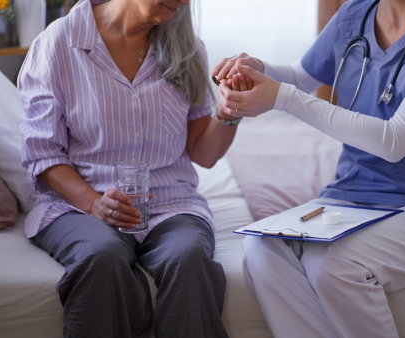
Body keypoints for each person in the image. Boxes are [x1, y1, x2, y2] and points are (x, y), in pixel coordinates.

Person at [213, 0, 405, 337]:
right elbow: (300, 77)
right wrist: (257, 70)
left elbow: (395, 140)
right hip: (351, 194)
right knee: (262, 247)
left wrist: (282, 98)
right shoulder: (355, 14)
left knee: (333, 266)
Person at [18, 0, 250, 337]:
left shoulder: (188, 49)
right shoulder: (59, 43)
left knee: (189, 260)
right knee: (101, 256)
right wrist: (93, 203)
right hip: (78, 205)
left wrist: (230, 112)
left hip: (170, 203)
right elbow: (43, 154)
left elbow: (204, 153)